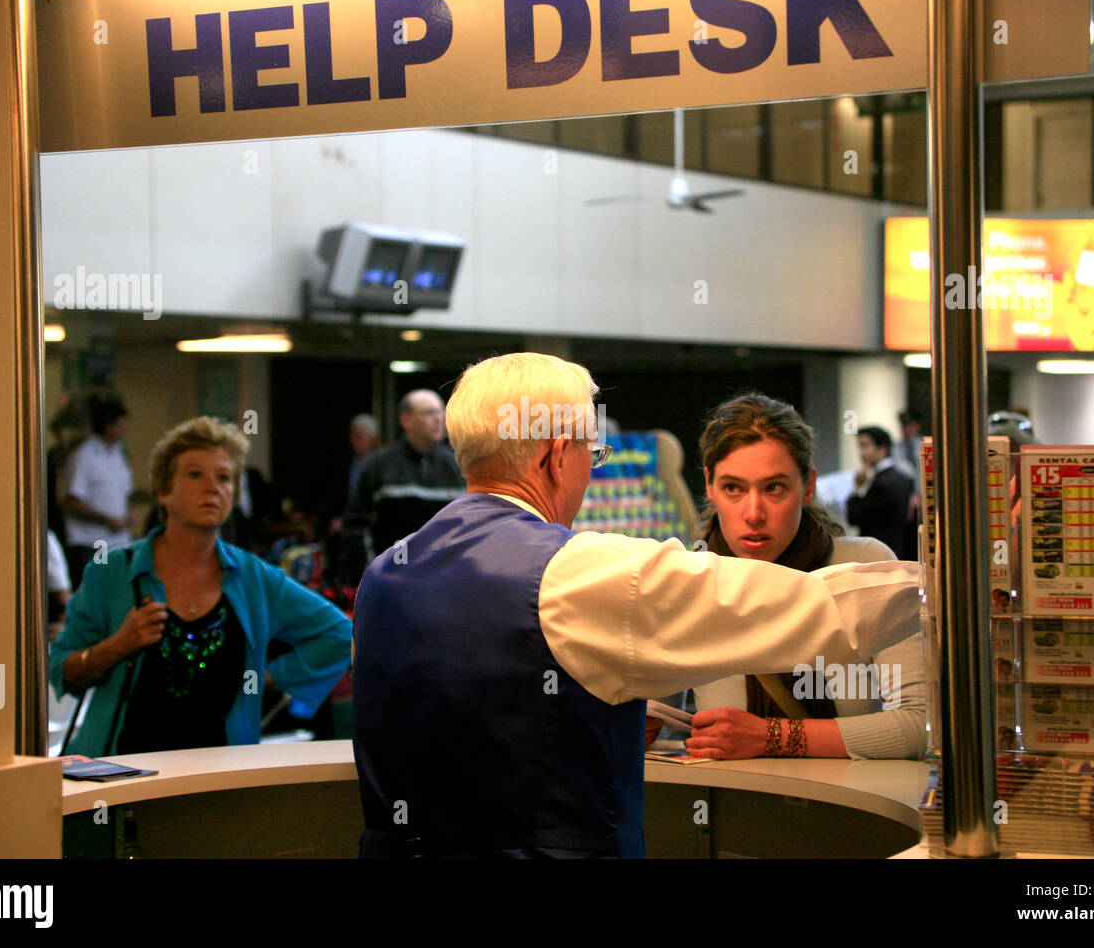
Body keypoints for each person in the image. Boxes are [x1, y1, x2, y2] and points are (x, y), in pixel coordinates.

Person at [352, 352, 922, 858]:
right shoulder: (580, 571)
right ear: (555, 458)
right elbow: (812, 608)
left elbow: (470, 707)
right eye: (590, 455)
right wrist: (953, 579)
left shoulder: (386, 573)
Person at [49, 416, 352, 756]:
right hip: (123, 780)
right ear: (164, 491)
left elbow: (340, 634)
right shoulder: (112, 571)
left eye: (224, 477)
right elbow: (61, 669)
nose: (212, 487)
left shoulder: (256, 578)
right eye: (195, 474)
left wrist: (263, 678)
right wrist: (119, 645)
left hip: (219, 782)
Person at [682, 394, 926, 761]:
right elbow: (653, 722)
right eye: (733, 488)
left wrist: (770, 737)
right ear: (711, 486)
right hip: (728, 809)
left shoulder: (863, 565)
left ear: (808, 486)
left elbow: (919, 725)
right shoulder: (688, 581)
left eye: (774, 488)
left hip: (851, 810)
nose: (753, 513)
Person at [339, 389, 466, 585]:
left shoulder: (456, 468)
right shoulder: (378, 465)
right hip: (390, 581)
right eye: (429, 412)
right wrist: (367, 578)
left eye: (441, 412)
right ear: (406, 420)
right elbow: (356, 528)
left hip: (444, 582)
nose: (438, 419)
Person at [62, 398, 134, 589]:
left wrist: (125, 517)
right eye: (121, 424)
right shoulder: (85, 455)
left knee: (115, 592)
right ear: (108, 426)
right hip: (94, 542)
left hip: (117, 542)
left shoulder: (117, 455)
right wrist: (107, 520)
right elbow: (71, 501)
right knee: (96, 592)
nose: (125, 429)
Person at [846, 425, 916, 560]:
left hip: (879, 558)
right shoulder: (902, 478)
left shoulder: (881, 483)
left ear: (882, 449)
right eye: (859, 447)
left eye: (865, 446)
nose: (861, 453)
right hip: (898, 553)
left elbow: (853, 516)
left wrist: (856, 487)